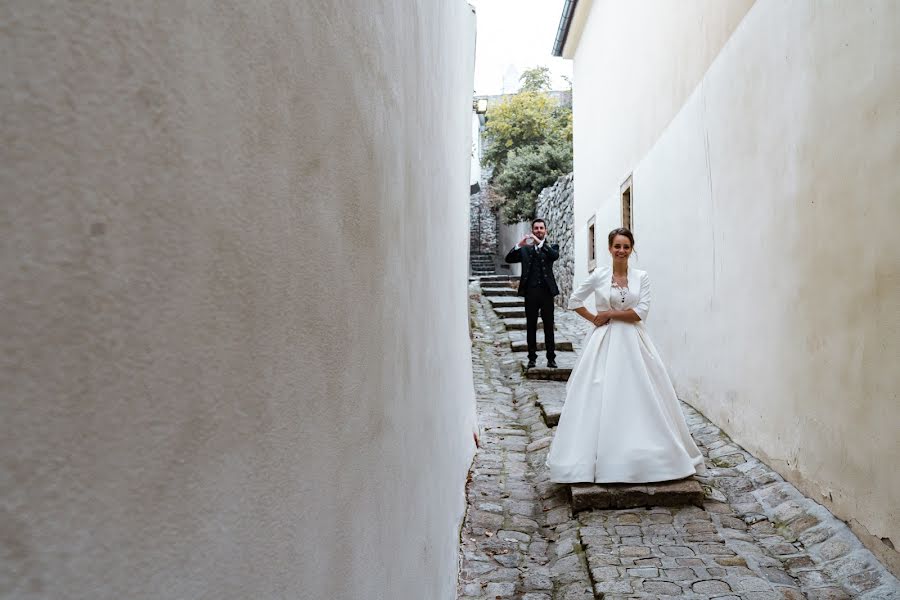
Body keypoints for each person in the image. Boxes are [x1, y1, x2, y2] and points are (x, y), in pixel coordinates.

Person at [546, 227, 705, 483]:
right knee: (599, 392)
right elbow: (574, 300)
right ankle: (596, 456)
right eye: (617, 246)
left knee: (644, 391)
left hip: (634, 340)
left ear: (632, 250)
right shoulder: (599, 275)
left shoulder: (641, 277)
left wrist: (609, 314)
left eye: (626, 247)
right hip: (605, 341)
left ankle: (648, 452)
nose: (621, 251)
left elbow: (641, 312)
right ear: (609, 249)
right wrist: (594, 319)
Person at [505, 218, 560, 369]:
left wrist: (540, 243)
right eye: (536, 228)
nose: (538, 230)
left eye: (541, 228)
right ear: (532, 230)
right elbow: (508, 258)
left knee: (549, 326)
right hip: (531, 293)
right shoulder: (525, 250)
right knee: (531, 326)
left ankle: (551, 358)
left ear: (545, 231)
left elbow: (554, 256)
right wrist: (519, 245)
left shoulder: (551, 248)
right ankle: (532, 358)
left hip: (547, 293)